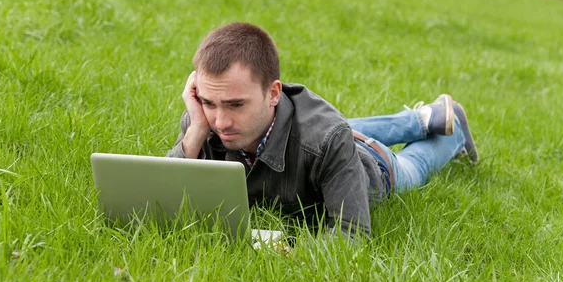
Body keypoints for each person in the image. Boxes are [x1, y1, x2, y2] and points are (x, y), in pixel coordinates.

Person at [166, 22, 478, 237]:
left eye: (235, 105)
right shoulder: (204, 122)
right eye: (208, 102)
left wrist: (288, 252)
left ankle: (456, 130)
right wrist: (193, 134)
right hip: (316, 136)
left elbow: (350, 235)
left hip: (372, 166)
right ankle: (422, 118)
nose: (220, 122)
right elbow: (162, 205)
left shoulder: (326, 138)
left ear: (274, 93)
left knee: (412, 168)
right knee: (329, 132)